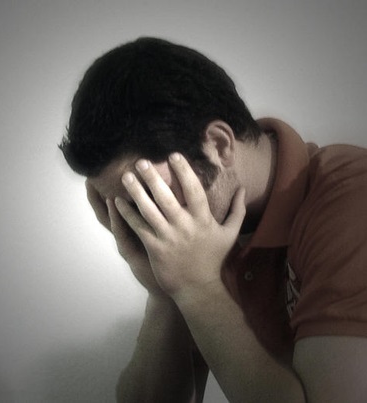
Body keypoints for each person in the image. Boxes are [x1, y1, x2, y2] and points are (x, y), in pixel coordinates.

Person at [59, 37, 367, 402]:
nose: (146, 224)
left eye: (150, 193)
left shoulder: (353, 197)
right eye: (123, 207)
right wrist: (164, 290)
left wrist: (199, 286)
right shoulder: (199, 237)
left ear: (219, 145)